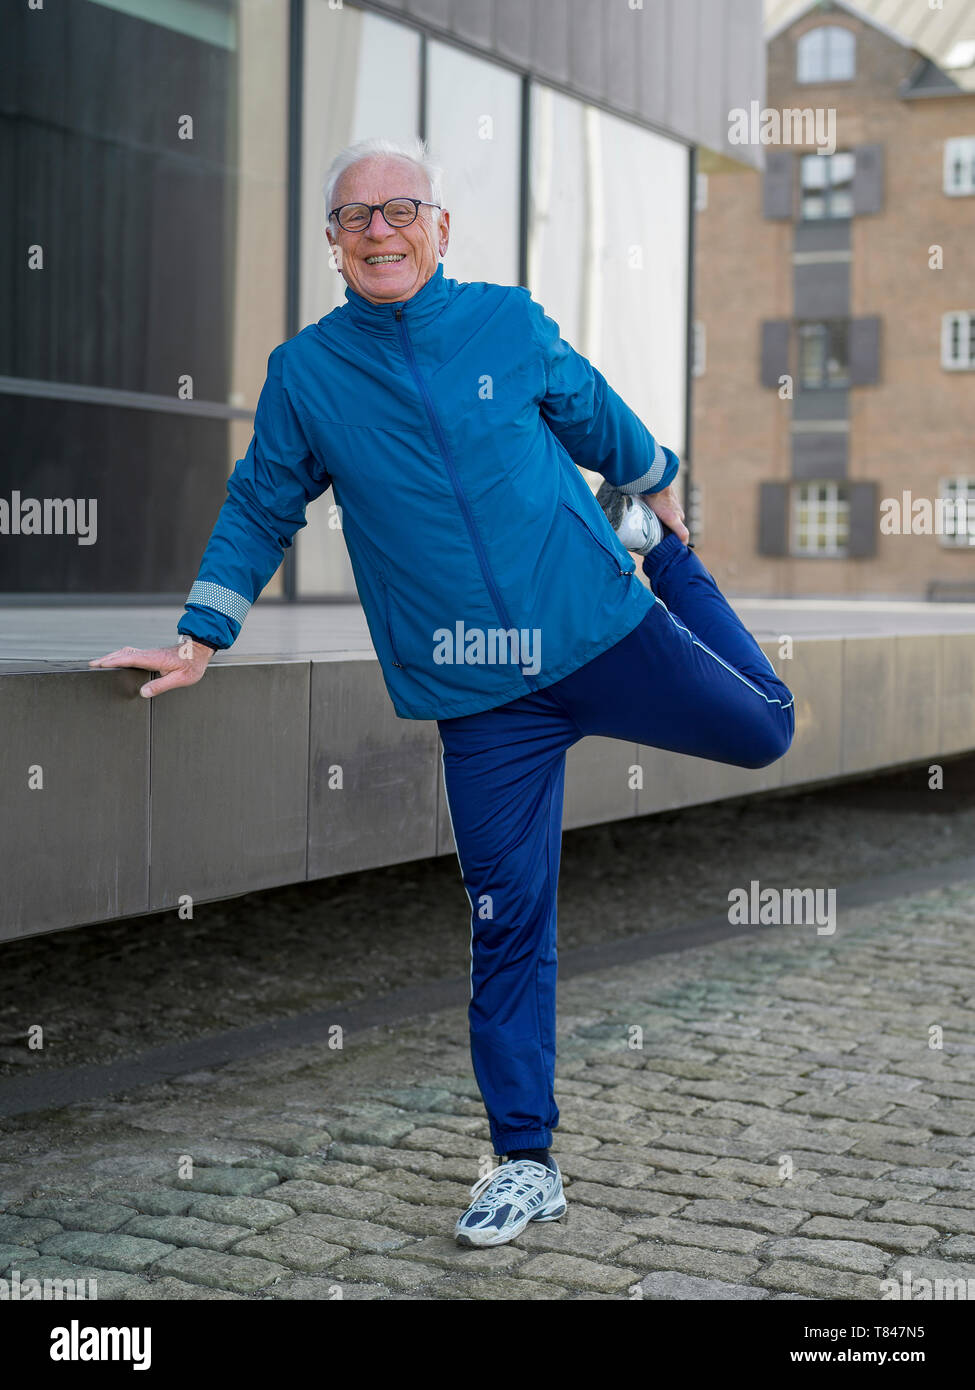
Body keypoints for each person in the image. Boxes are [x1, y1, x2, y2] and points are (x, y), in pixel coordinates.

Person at [90, 136, 796, 1250]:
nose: (379, 231)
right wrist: (200, 636)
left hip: (603, 626)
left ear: (441, 227)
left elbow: (595, 417)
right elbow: (261, 502)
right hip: (482, 700)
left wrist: (658, 487)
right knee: (508, 923)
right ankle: (525, 1161)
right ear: (333, 242)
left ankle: (668, 566)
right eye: (354, 218)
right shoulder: (309, 375)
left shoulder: (507, 323)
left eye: (399, 209)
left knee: (766, 729)